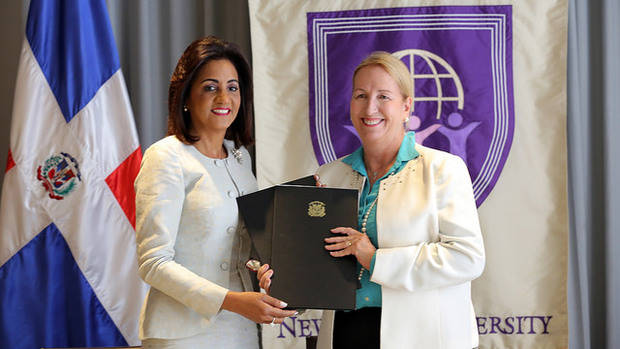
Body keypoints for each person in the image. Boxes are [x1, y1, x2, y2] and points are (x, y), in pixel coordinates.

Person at [258, 52, 485, 348]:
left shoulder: (443, 169)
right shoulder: (330, 176)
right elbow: (320, 268)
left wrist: (375, 258)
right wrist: (286, 286)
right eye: (360, 95)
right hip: (345, 334)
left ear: (406, 107)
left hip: (423, 338)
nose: (370, 107)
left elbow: (467, 258)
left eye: (384, 96)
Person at [134, 36, 296, 349]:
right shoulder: (166, 156)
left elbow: (245, 248)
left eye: (233, 87)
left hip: (241, 330)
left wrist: (264, 268)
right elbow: (153, 263)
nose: (224, 97)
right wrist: (231, 300)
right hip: (181, 334)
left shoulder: (239, 158)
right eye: (210, 87)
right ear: (186, 96)